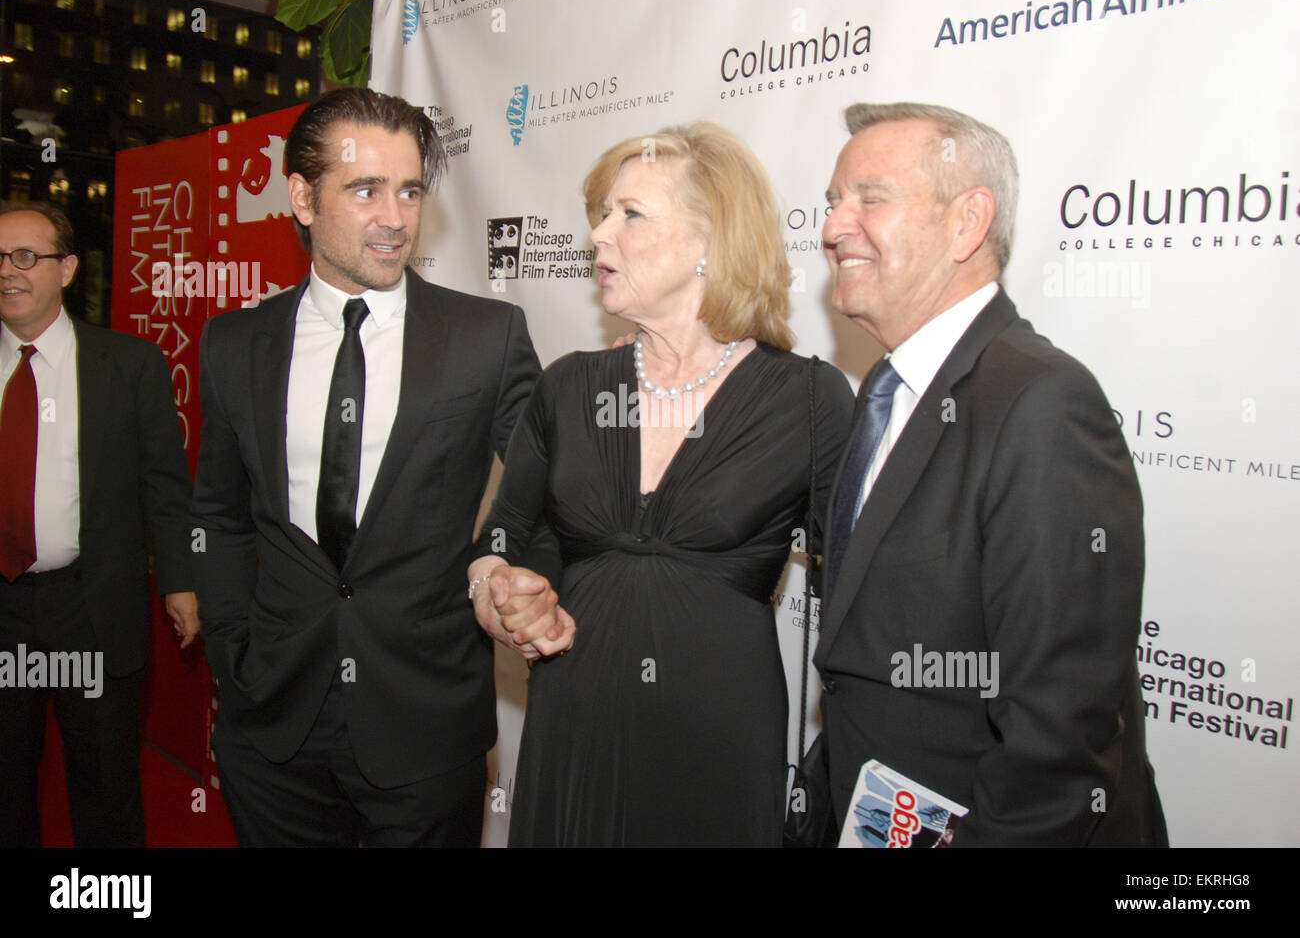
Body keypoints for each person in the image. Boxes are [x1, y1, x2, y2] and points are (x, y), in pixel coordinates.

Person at [191, 88, 570, 847]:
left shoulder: (486, 337)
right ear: (301, 196)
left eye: (408, 190)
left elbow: (544, 495)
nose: (394, 217)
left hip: (424, 720)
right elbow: (220, 514)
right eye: (364, 190)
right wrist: (233, 655)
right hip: (273, 722)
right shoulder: (236, 344)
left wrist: (500, 572)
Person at [469, 121, 853, 846]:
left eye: (631, 215)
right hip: (572, 733)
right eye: (602, 215)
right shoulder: (569, 387)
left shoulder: (805, 400)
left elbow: (859, 593)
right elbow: (499, 544)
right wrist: (498, 593)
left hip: (717, 745)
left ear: (712, 239)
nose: (599, 237)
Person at [815, 102, 1166, 845]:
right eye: (833, 202)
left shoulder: (1043, 404)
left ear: (968, 222)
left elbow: (1059, 742)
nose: (832, 228)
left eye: (869, 199)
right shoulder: (886, 393)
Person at [0, 200, 198, 847]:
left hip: (91, 607)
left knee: (105, 785)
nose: (9, 271)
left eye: (26, 256)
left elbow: (165, 489)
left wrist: (180, 583)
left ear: (68, 269)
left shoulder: (130, 366)